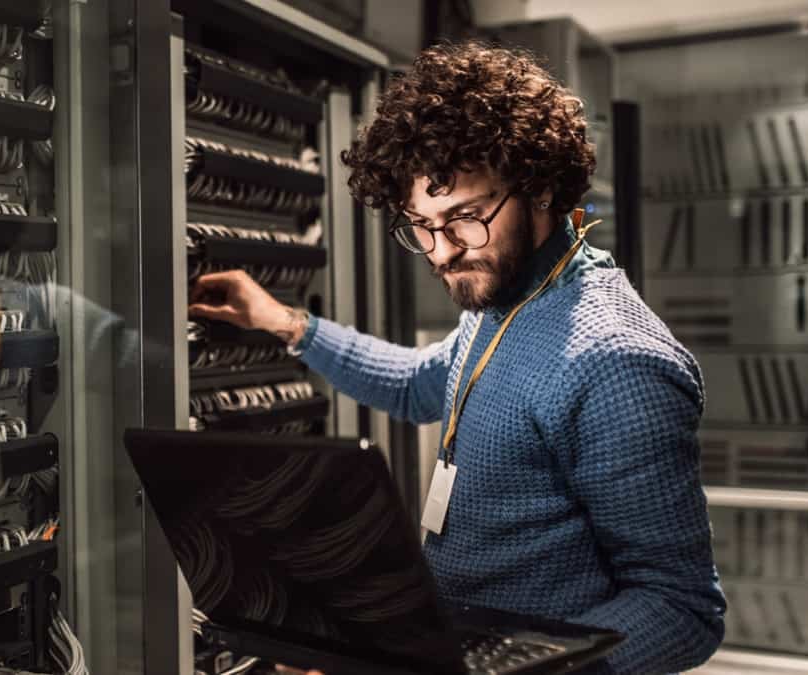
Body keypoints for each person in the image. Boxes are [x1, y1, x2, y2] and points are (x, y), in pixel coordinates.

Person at [188, 41, 726, 674]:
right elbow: (422, 383)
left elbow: (680, 609)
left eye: (466, 218)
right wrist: (284, 322)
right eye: (421, 224)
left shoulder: (616, 363)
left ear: (543, 186)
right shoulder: (505, 307)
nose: (441, 252)